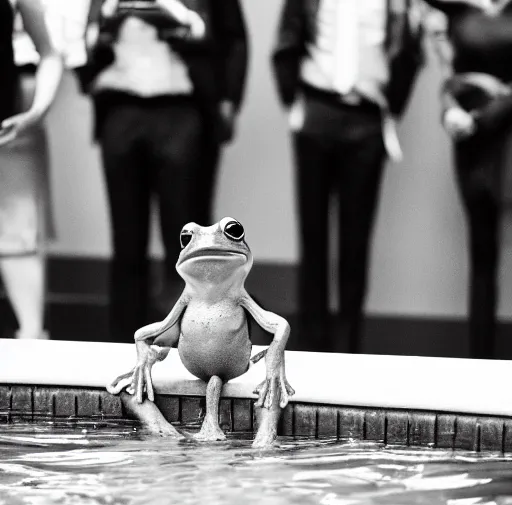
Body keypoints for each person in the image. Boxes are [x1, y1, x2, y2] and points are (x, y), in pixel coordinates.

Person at [77, 0, 248, 341]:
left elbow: (234, 37)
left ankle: (193, 345)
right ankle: (124, 346)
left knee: (187, 241)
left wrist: (228, 99)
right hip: (120, 108)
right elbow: (87, 33)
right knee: (126, 241)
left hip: (182, 109)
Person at [271, 0, 425, 353]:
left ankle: (349, 345)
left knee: (356, 242)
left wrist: (392, 108)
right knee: (313, 236)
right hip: (316, 110)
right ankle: (312, 345)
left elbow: (410, 51)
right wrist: (292, 104)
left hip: (367, 119)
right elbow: (287, 38)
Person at [423, 0, 512, 359]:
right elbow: (450, 78)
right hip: (473, 142)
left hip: (501, 130)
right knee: (482, 250)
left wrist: (485, 115)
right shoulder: (456, 10)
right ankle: (481, 362)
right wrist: (449, 111)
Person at [0, 0, 62, 339]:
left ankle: (32, 338)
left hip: (8, 129)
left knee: (19, 235)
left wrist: (37, 111)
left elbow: (50, 53)